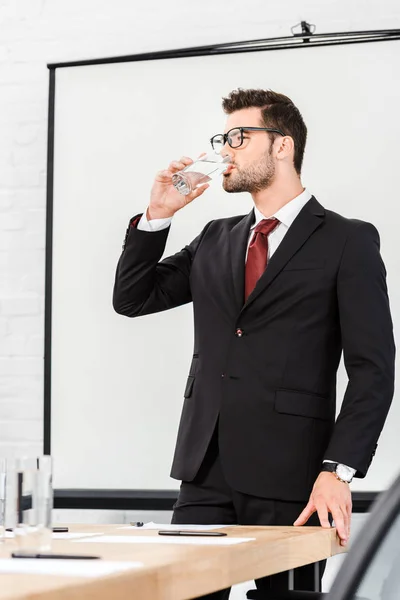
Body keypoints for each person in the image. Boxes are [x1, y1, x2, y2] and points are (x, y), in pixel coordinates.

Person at [113, 88, 395, 598]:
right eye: (223, 138)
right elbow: (134, 298)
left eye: (239, 137)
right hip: (205, 468)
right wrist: (158, 213)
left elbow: (373, 369)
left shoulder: (347, 240)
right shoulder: (216, 238)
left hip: (296, 477)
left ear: (282, 146)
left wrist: (339, 470)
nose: (225, 149)